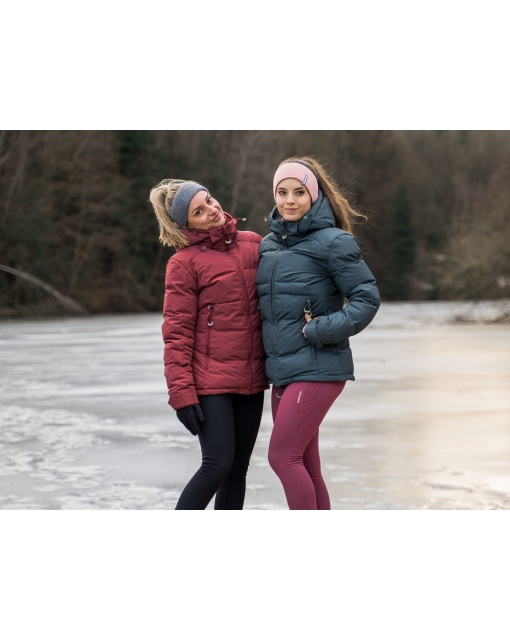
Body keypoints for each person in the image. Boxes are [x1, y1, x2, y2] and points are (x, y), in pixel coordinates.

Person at [256, 156, 381, 510]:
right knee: (306, 466)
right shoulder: (268, 246)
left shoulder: (334, 242)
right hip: (283, 371)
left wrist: (319, 329)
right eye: (282, 192)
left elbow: (367, 299)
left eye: (299, 192)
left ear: (314, 195)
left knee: (282, 457)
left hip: (318, 366)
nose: (289, 200)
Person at [149, 179, 268, 510]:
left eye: (209, 201)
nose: (211, 210)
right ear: (186, 225)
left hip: (251, 377)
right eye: (198, 212)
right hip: (210, 381)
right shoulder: (184, 264)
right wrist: (181, 394)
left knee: (237, 469)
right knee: (217, 464)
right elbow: (177, 333)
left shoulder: (254, 244)